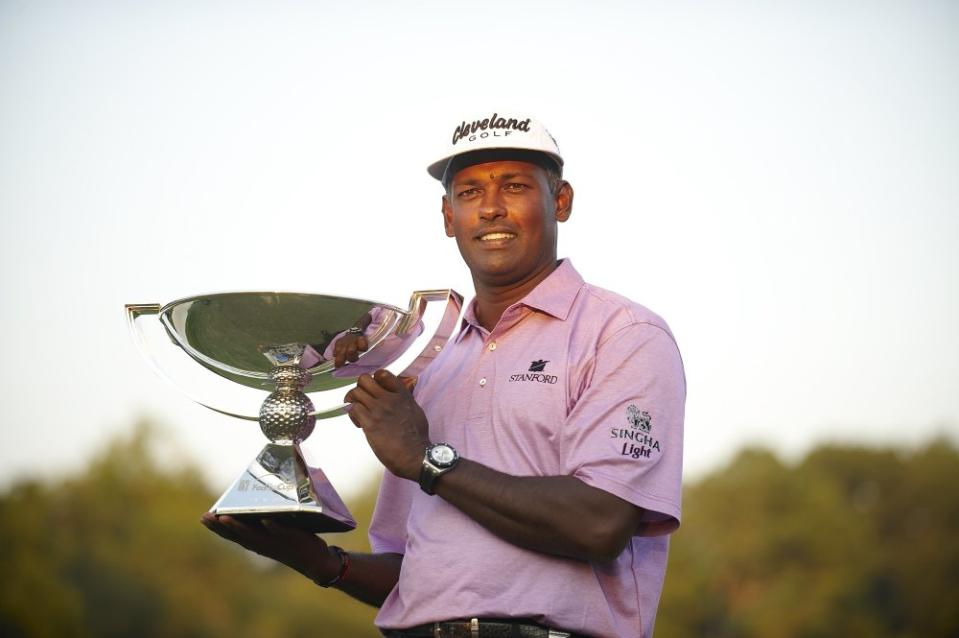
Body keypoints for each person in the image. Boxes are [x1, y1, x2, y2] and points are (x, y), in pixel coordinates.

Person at [202, 113, 686, 638]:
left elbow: (600, 523)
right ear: (448, 215)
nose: (492, 207)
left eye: (516, 186)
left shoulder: (622, 334)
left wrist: (428, 461)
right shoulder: (431, 363)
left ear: (561, 201)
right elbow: (416, 574)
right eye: (469, 191)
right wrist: (322, 562)